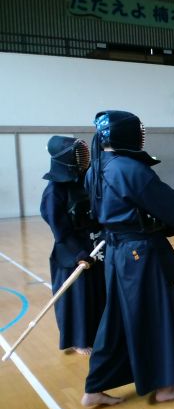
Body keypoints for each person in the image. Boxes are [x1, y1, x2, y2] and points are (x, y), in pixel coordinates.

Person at [82, 110, 174, 407]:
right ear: (126, 134)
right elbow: (166, 202)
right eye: (138, 130)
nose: (142, 135)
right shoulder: (128, 168)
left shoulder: (96, 167)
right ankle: (166, 386)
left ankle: (94, 388)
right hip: (139, 254)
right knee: (156, 315)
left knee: (115, 320)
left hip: (117, 254)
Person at [40, 136, 106, 355]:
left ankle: (98, 333)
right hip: (70, 251)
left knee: (96, 292)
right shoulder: (54, 191)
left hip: (93, 245)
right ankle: (79, 340)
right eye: (78, 155)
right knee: (77, 297)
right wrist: (78, 252)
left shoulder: (84, 182)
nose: (83, 159)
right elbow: (59, 229)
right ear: (65, 159)